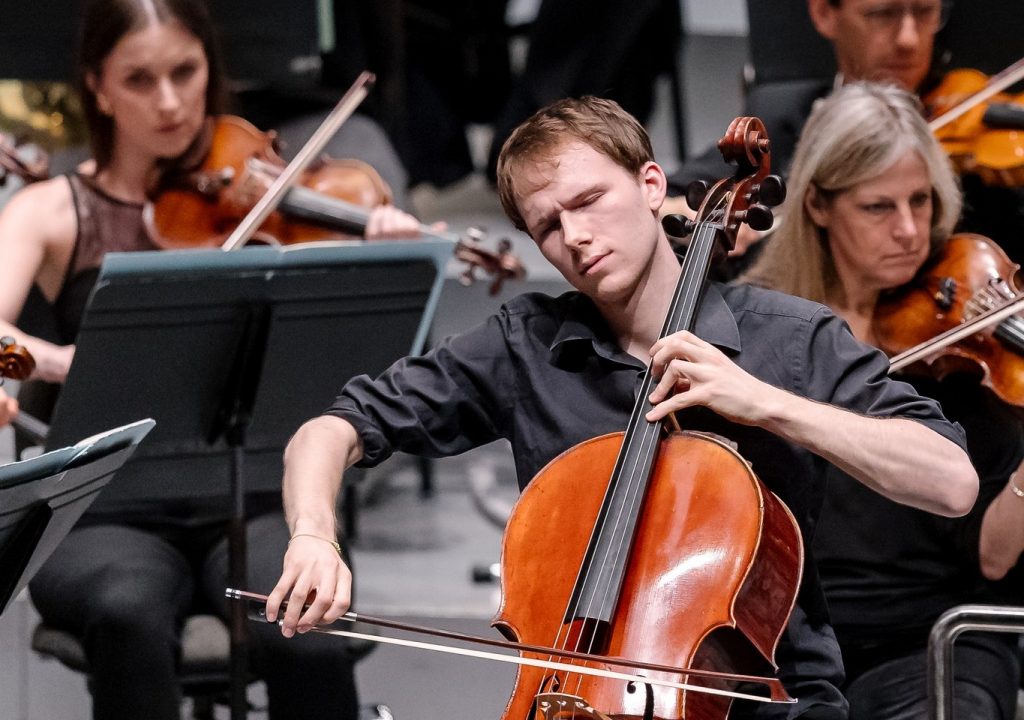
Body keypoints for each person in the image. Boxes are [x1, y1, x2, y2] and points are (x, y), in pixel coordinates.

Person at [265, 94, 978, 719]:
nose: (573, 238)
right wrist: (312, 536)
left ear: (650, 184)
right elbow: (329, 431)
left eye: (586, 202)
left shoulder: (786, 340)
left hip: (762, 706)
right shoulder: (527, 347)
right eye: (547, 226)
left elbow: (951, 482)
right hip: (571, 699)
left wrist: (767, 404)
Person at [0, 0, 425, 718]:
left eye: (185, 72)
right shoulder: (51, 208)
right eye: (139, 80)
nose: (169, 102)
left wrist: (386, 250)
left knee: (306, 625)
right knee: (127, 609)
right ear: (98, 87)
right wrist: (66, 362)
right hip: (103, 510)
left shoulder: (268, 198)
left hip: (254, 494)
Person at [743, 81, 1024, 719]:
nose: (909, 231)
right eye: (878, 207)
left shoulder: (970, 356)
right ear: (816, 204)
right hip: (787, 646)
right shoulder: (763, 332)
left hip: (936, 640)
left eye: (921, 201)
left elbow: (995, 555)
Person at [666, 0, 1024, 270]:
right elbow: (663, 199)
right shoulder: (784, 113)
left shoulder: (983, 139)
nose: (909, 39)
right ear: (824, 14)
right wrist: (705, 216)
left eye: (924, 12)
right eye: (881, 14)